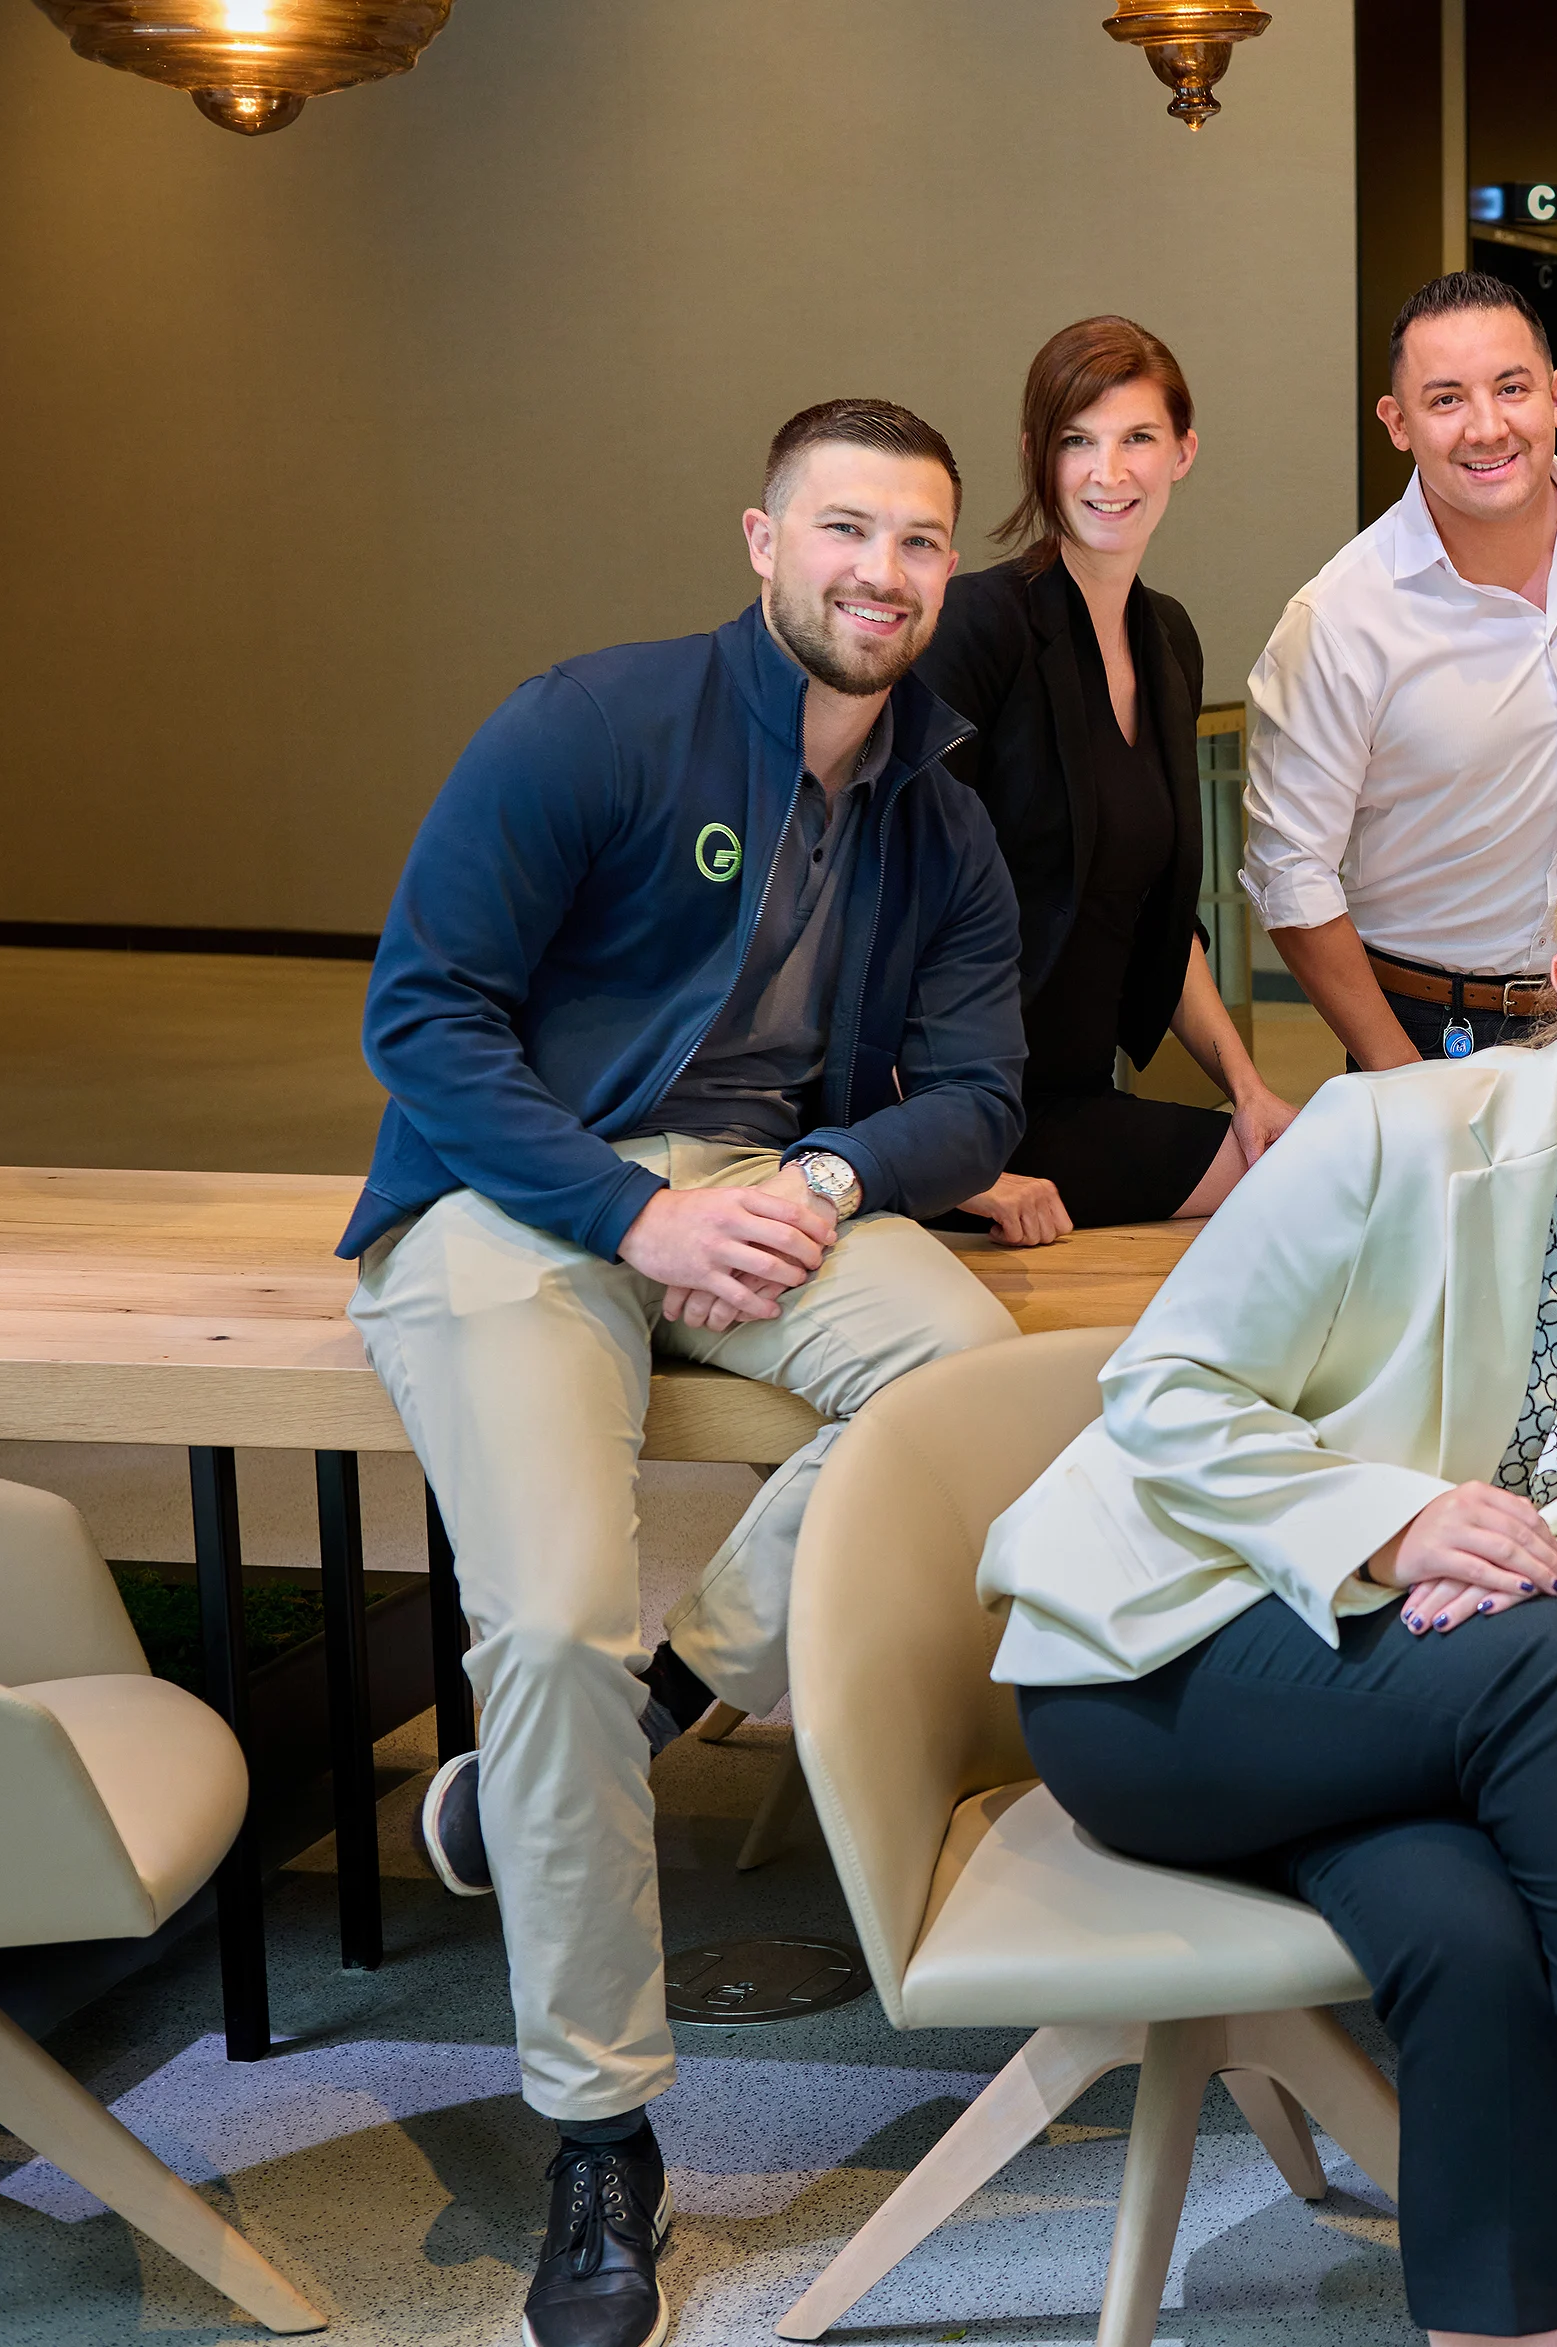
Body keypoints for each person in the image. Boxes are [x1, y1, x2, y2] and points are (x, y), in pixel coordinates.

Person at [981, 794, 1557, 2347]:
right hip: (1163, 1665)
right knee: (1550, 1666)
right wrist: (1386, 1525)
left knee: (1480, 1918)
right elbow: (1163, 1390)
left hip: (1427, 1698)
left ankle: (1505, 2328)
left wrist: (1531, 1575)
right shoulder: (1383, 1133)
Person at [343, 399, 1027, 2347]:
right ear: (758, 538)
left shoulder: (939, 814)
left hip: (756, 1193)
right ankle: (599, 2128)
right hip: (512, 1189)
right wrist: (626, 1221)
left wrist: (825, 1170)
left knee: (964, 1400)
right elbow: (425, 1014)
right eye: (842, 531)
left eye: (915, 544)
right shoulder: (594, 723)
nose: (879, 575)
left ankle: (661, 1702)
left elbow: (979, 1096)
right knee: (542, 1620)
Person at [916, 315, 1295, 1245]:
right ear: (1038, 457)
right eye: (1077, 442)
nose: (1108, 473)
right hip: (956, 1113)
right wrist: (946, 1158)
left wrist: (1247, 1087)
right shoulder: (978, 627)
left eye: (1138, 440)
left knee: (1315, 1165)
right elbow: (877, 897)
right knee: (1312, 1202)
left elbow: (1160, 925)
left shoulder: (1167, 637)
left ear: (1184, 452)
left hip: (1074, 1100)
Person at [1246, 270, 1557, 1068]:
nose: (1486, 427)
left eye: (1511, 388)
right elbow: (1289, 874)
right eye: (1445, 399)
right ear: (1397, 421)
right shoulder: (1340, 619)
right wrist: (1403, 1079)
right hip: (1436, 1030)